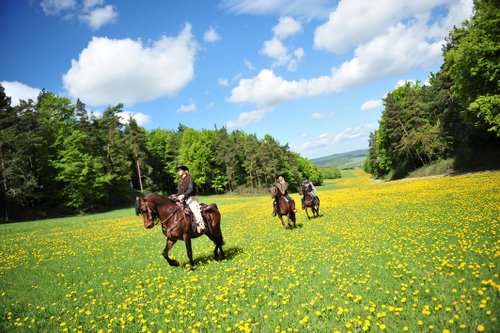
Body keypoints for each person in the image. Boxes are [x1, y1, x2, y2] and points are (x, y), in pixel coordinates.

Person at [173, 165, 205, 233]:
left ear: (184, 171)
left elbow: (191, 189)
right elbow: (179, 192)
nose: (178, 172)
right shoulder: (180, 181)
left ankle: (200, 225)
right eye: (177, 170)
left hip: (191, 198)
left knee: (194, 208)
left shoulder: (189, 178)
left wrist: (184, 195)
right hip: (183, 200)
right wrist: (176, 195)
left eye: (179, 170)